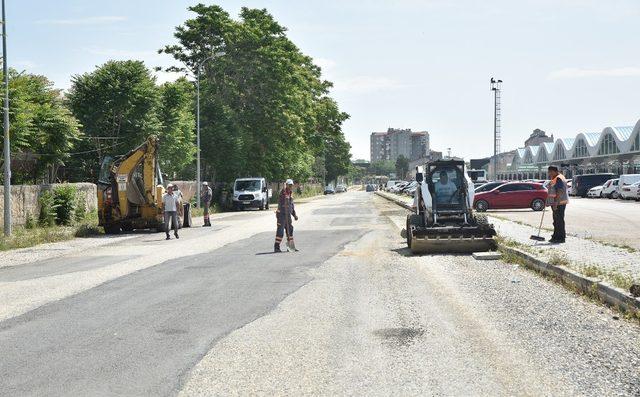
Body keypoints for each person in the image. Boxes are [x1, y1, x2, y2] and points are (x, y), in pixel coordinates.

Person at [274, 179, 298, 252]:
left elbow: (291, 206)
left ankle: (291, 247)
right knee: (280, 232)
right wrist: (284, 188)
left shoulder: (290, 193)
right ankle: (276, 247)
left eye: (291, 185)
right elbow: (283, 197)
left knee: (290, 230)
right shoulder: (283, 193)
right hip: (281, 215)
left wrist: (294, 215)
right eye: (289, 185)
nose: (291, 186)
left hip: (288, 216)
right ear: (286, 185)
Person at [547, 165, 569, 243]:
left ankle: (560, 237)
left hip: (559, 203)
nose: (549, 174)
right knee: (556, 221)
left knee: (558, 221)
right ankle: (556, 236)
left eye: (550, 172)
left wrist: (556, 203)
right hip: (558, 203)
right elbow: (553, 191)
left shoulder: (558, 178)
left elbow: (559, 191)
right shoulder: (558, 177)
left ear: (554, 171)